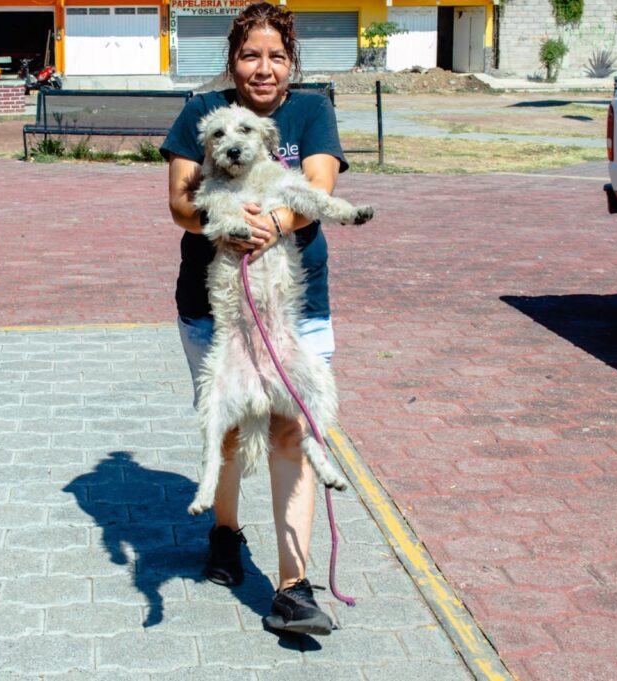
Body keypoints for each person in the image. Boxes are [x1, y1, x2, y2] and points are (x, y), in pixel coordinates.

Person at [160, 2, 350, 636]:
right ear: (232, 60)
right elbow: (182, 204)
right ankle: (225, 532)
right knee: (236, 433)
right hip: (215, 305)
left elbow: (317, 183)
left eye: (275, 56)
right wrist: (228, 225)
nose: (263, 68)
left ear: (291, 59)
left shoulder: (311, 110)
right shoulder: (199, 114)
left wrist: (272, 222)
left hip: (295, 302)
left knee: (292, 431)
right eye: (250, 55)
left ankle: (294, 587)